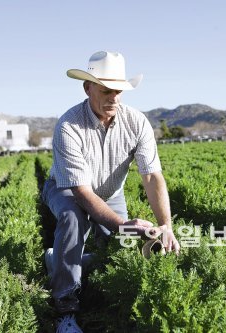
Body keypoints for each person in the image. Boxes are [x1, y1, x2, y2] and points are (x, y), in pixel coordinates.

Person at [42, 51, 180, 333]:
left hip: (110, 193)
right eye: (106, 90)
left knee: (119, 252)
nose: (114, 97)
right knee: (72, 217)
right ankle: (65, 310)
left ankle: (61, 260)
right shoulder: (69, 125)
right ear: (87, 88)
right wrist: (122, 225)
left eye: (119, 91)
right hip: (66, 189)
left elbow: (152, 176)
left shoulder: (136, 122)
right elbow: (80, 192)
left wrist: (166, 226)